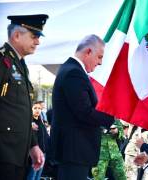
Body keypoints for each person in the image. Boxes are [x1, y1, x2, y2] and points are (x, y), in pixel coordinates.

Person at [0, 14, 48, 180]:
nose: (38, 42)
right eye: (34, 36)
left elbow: (23, 113)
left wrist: (33, 145)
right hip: (1, 153)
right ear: (17, 36)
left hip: (18, 155)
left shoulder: (20, 66)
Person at [50, 34, 115, 180]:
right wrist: (111, 116)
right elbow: (84, 112)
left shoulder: (71, 70)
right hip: (74, 151)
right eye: (99, 57)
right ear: (88, 52)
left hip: (75, 151)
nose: (100, 63)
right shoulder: (74, 73)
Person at [27, 101, 50, 180]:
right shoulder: (29, 123)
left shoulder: (41, 122)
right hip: (34, 154)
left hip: (43, 153)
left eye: (39, 108)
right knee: (31, 176)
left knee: (38, 177)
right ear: (31, 109)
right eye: (35, 108)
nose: (37, 110)